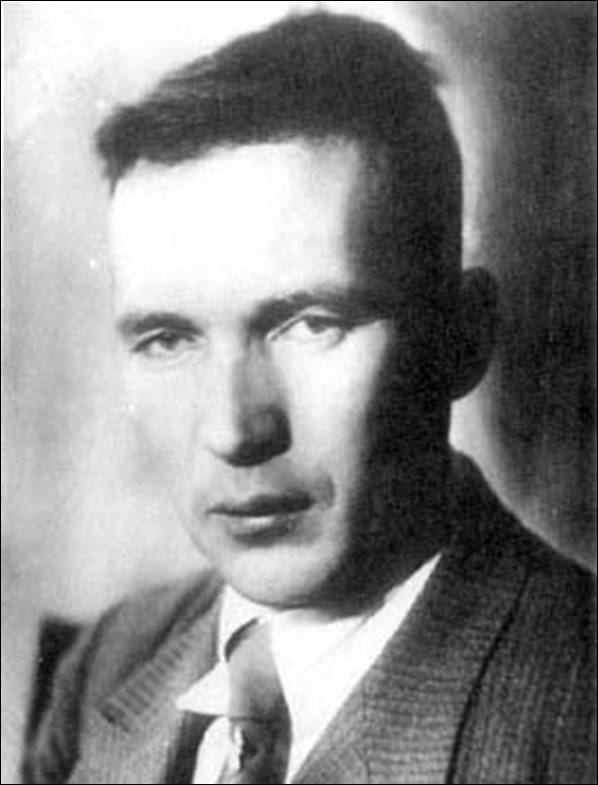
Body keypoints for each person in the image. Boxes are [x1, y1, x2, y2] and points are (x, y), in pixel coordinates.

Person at [23, 11, 594, 785]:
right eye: (167, 338)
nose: (235, 428)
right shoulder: (106, 661)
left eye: (310, 323)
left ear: (463, 337)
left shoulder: (576, 705)